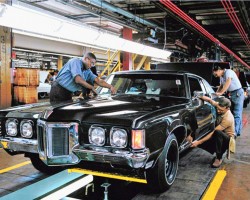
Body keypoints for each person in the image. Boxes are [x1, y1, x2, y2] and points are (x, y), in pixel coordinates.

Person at [50, 52, 116, 103]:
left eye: (94, 64)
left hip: (68, 92)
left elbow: (98, 80)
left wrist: (110, 86)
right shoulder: (76, 61)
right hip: (58, 90)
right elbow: (78, 79)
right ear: (86, 59)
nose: (92, 65)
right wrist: (91, 87)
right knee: (58, 115)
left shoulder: (87, 71)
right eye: (92, 63)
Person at [191, 96, 236, 168]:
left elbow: (213, 132)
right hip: (218, 136)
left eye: (221, 110)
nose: (218, 111)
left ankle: (219, 157)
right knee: (196, 138)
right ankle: (214, 149)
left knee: (217, 133)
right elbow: (209, 100)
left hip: (226, 139)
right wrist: (198, 96)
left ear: (227, 108)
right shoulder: (218, 105)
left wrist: (199, 142)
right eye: (217, 108)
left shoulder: (228, 119)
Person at [212, 65, 244, 137]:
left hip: (238, 93)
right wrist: (215, 94)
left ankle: (234, 134)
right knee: (235, 113)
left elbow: (228, 82)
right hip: (233, 94)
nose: (215, 75)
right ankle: (238, 131)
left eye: (215, 73)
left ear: (219, 70)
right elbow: (221, 86)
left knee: (237, 113)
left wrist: (221, 93)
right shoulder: (222, 77)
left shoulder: (228, 72)